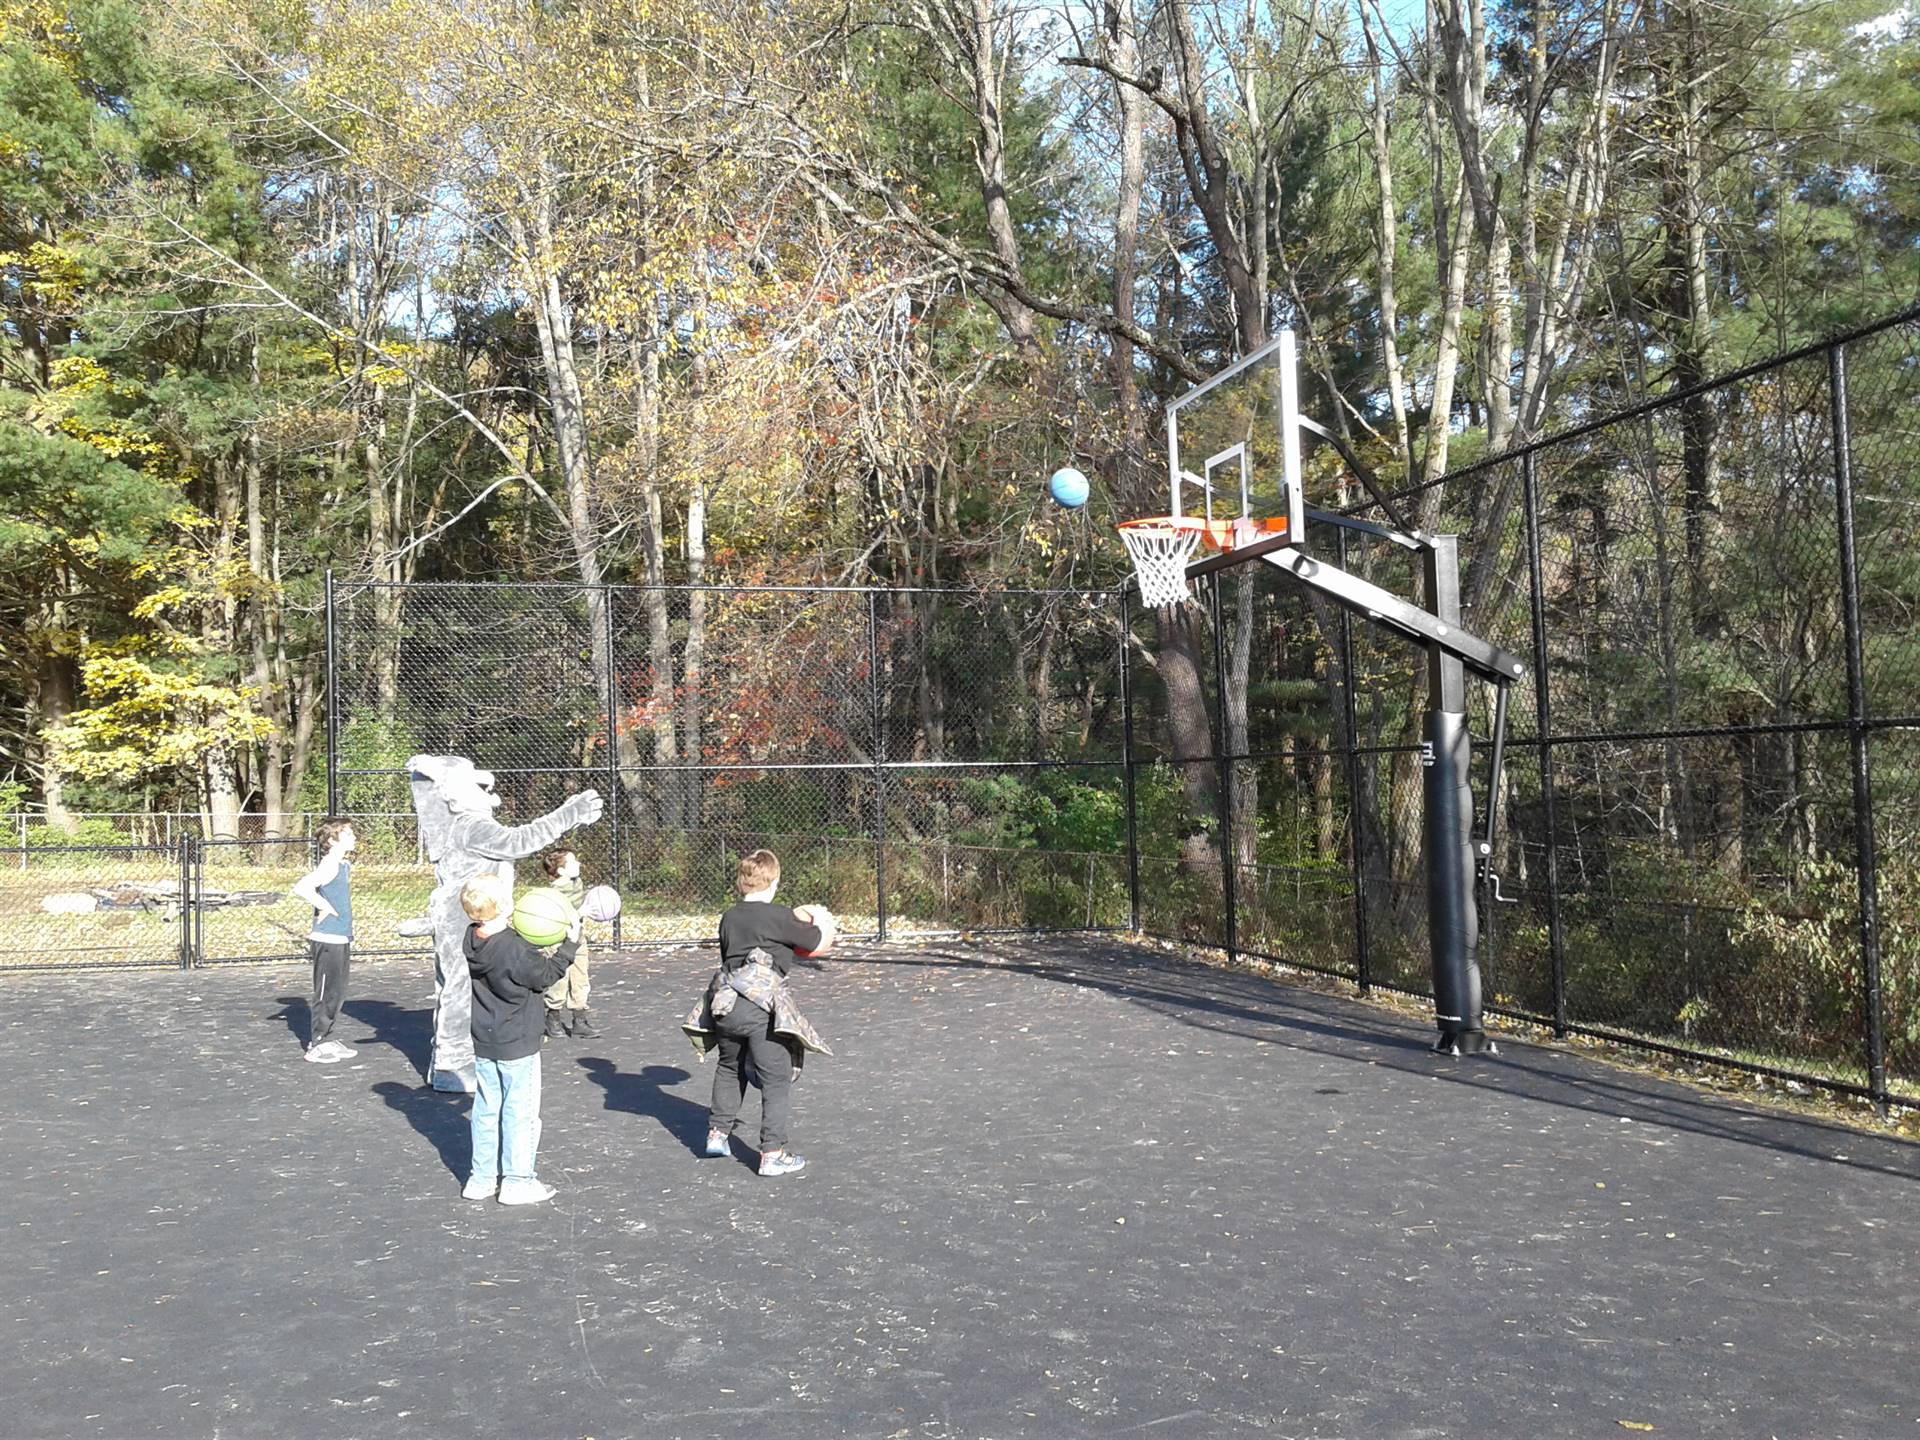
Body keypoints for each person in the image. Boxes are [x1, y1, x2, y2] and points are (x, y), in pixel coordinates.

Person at [691, 849, 837, 1178]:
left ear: (742, 883)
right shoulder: (779, 916)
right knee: (776, 1078)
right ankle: (772, 1153)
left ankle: (717, 1135)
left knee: (729, 1068)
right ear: (774, 881)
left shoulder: (729, 916)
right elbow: (815, 942)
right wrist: (822, 920)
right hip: (761, 1008)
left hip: (724, 1005)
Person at [460, 873, 579, 1205]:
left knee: (485, 1109)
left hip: (485, 1038)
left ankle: (481, 1179)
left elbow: (519, 961)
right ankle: (517, 1180)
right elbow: (543, 976)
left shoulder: (472, 938)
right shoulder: (513, 947)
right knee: (520, 1111)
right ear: (505, 906)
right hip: (518, 1040)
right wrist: (569, 945)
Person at [290, 817, 358, 1063]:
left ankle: (328, 1038)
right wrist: (325, 907)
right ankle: (316, 1044)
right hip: (327, 939)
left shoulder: (342, 865)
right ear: (332, 840)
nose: (353, 837)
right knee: (325, 992)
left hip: (340, 937)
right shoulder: (329, 864)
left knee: (337, 993)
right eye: (347, 834)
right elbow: (302, 887)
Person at [539, 847, 596, 1040]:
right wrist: (578, 914)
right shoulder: (553, 893)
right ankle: (552, 1017)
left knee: (580, 977)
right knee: (559, 980)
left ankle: (580, 1019)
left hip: (577, 938)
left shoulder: (577, 884)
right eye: (572, 862)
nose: (578, 864)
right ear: (561, 871)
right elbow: (556, 915)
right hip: (558, 941)